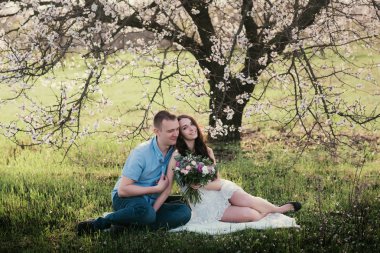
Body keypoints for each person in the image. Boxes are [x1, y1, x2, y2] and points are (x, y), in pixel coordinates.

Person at [166, 114, 301, 224]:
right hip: (205, 202)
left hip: (218, 187)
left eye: (192, 124)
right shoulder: (177, 156)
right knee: (251, 214)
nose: (191, 129)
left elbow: (217, 180)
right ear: (180, 134)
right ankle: (264, 211)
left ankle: (279, 209)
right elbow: (168, 186)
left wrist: (202, 184)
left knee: (248, 200)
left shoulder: (207, 151)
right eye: (185, 127)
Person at [76, 111, 191, 235]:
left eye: (177, 129)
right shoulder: (141, 153)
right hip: (127, 198)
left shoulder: (174, 151)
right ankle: (100, 223)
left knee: (184, 211)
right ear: (156, 132)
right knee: (146, 213)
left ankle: (127, 225)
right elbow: (123, 190)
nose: (175, 134)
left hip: (151, 202)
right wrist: (155, 189)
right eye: (170, 131)